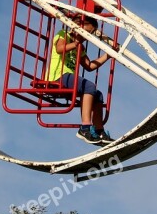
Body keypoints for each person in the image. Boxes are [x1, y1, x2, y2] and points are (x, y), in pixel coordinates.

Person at [48, 13, 117, 145]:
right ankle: (85, 128)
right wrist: (77, 42)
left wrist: (107, 56)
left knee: (98, 95)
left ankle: (99, 130)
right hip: (58, 76)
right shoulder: (64, 34)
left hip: (69, 78)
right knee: (89, 86)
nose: (87, 37)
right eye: (87, 33)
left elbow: (89, 66)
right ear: (79, 27)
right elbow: (59, 48)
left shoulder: (80, 46)